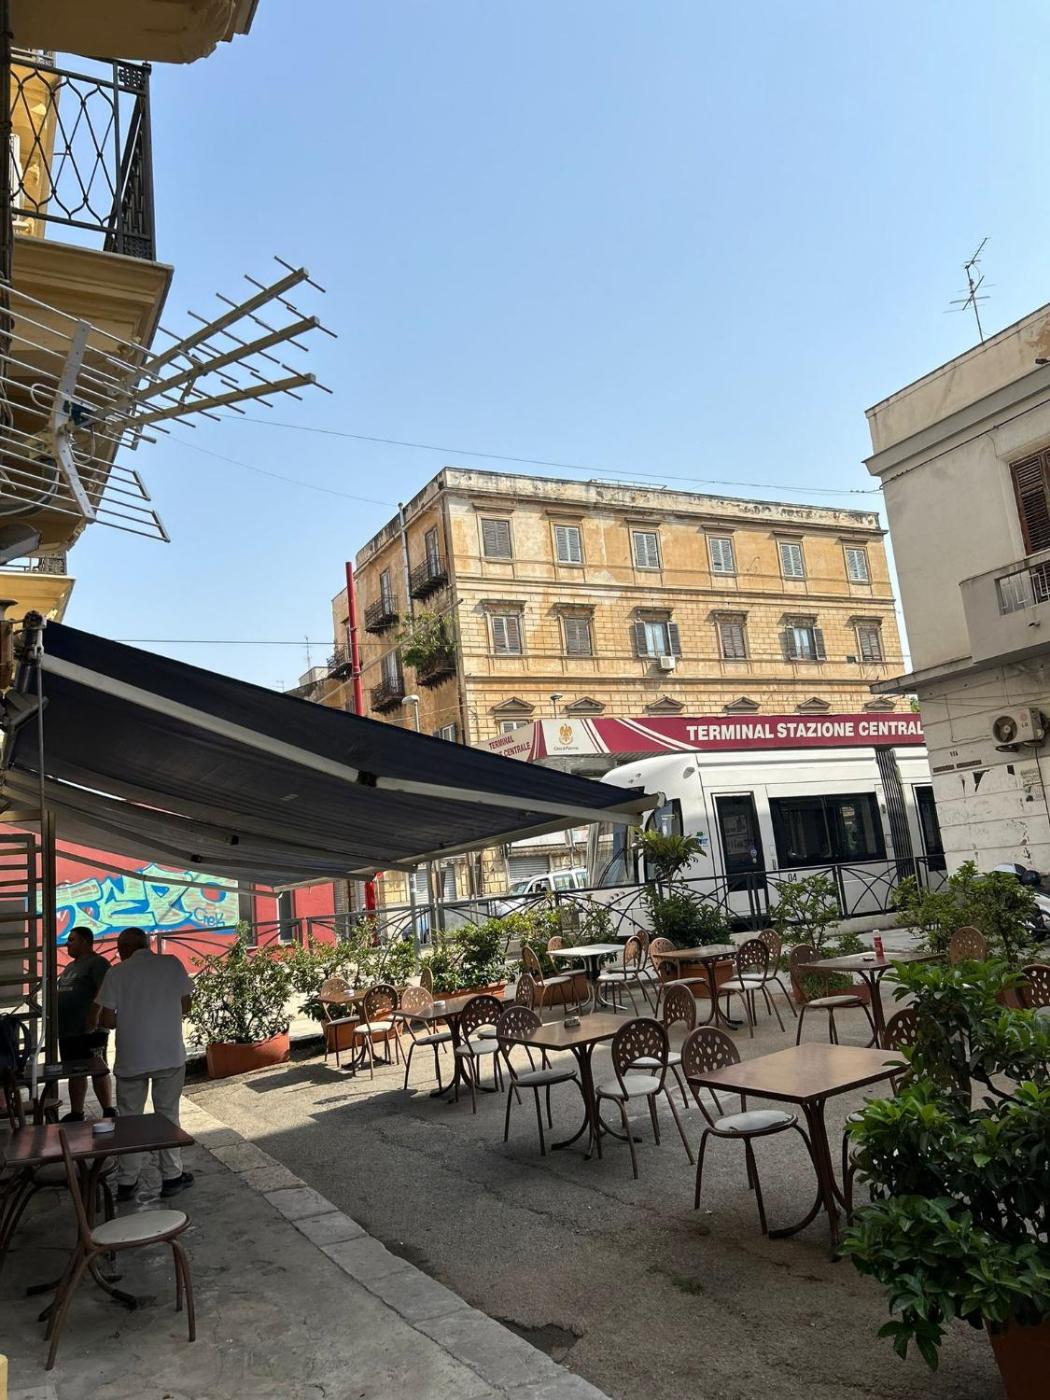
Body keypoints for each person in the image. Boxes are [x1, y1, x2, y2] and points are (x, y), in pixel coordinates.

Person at [92, 928, 195, 1200]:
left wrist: (129, 1017)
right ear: (147, 944)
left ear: (125, 948)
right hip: (169, 1054)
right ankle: (172, 1177)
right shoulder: (171, 964)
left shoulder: (116, 973)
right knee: (168, 1115)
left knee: (129, 1119)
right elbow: (187, 1006)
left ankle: (127, 1181)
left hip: (131, 1058)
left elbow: (107, 1020)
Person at [56, 926, 115, 1122]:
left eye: (72, 940)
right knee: (74, 1070)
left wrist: (94, 1016)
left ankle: (108, 1109)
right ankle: (77, 1112)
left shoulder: (98, 963)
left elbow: (105, 990)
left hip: (91, 1030)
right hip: (68, 1030)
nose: (67, 944)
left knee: (97, 1068)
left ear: (84, 941)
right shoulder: (70, 967)